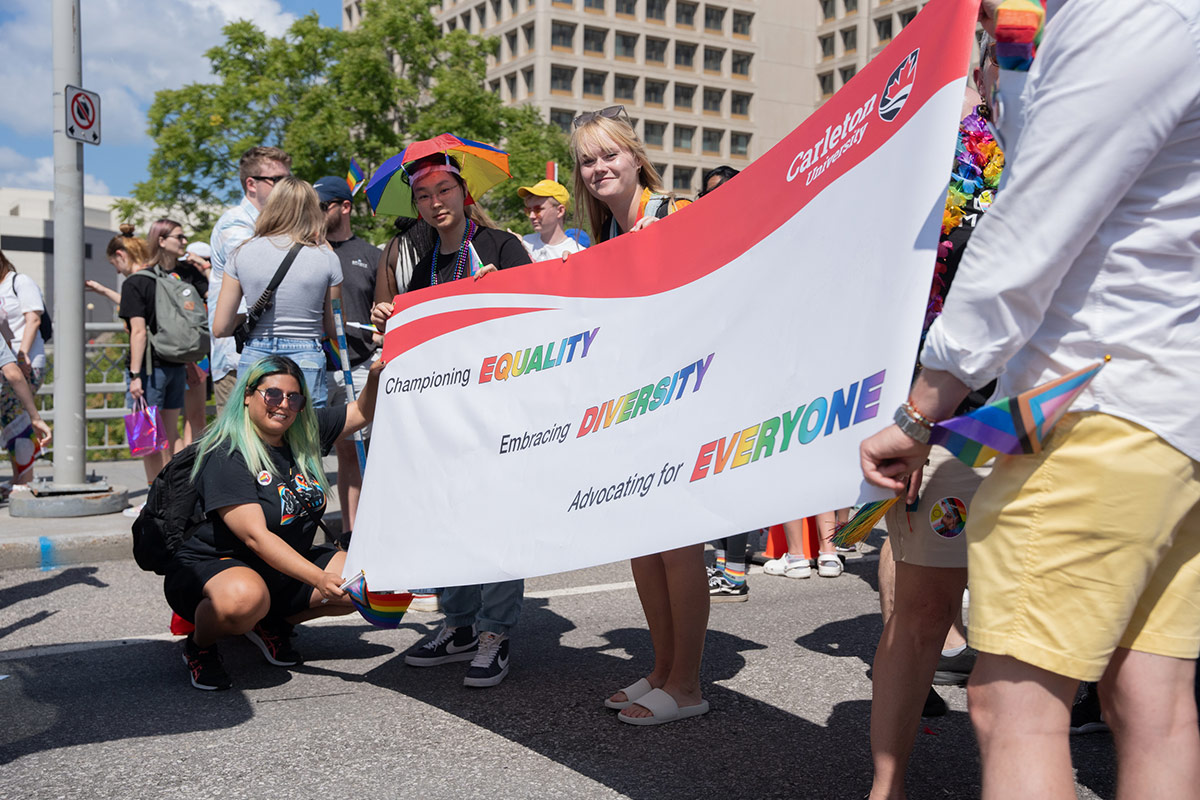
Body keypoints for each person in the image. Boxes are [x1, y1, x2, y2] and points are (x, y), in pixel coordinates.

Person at [861, 2, 1200, 798]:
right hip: (1169, 414)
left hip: (1090, 403)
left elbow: (1032, 221)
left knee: (1013, 703)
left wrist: (923, 405)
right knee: (1152, 703)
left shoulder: (1127, 13)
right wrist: (1014, 50)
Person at [866, 50, 1004, 799]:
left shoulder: (1076, 123)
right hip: (949, 415)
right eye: (993, 45)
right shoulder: (933, 150)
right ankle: (885, 788)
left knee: (1026, 636)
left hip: (1063, 416)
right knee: (920, 611)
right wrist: (913, 414)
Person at [571, 106, 708, 726]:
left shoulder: (675, 216)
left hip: (680, 400)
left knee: (678, 545)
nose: (599, 167)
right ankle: (660, 666)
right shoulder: (603, 239)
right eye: (587, 160)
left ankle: (687, 684)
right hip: (630, 408)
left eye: (608, 155)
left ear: (635, 157)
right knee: (644, 546)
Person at [386, 149, 531, 688]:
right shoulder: (423, 266)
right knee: (449, 516)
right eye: (423, 196)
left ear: (463, 191)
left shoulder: (502, 245)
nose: (434, 203)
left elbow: (540, 314)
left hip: (499, 406)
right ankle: (460, 623)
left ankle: (495, 631)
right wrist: (394, 315)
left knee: (496, 517)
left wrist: (505, 289)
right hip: (447, 413)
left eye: (443, 191)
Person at [166, 353, 383, 691]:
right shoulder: (226, 452)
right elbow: (256, 538)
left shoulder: (303, 431)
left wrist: (375, 375)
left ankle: (267, 622)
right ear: (249, 395)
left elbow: (361, 412)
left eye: (294, 397)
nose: (283, 404)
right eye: (273, 394)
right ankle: (200, 645)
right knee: (244, 599)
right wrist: (319, 578)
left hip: (278, 569)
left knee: (371, 581)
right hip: (217, 566)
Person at [212, 176, 342, 410]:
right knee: (306, 438)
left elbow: (220, 327)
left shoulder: (241, 254)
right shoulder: (327, 257)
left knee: (255, 439)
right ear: (312, 210)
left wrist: (252, 315)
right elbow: (334, 328)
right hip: (306, 355)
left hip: (256, 356)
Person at [313, 174, 382, 533]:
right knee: (332, 455)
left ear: (344, 207)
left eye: (323, 206)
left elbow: (385, 308)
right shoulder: (309, 253)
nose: (318, 212)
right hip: (318, 367)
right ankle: (344, 535)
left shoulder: (371, 255)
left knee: (362, 451)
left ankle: (366, 532)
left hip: (360, 363)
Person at [209, 146, 292, 415]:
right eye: (277, 180)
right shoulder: (234, 224)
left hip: (271, 356)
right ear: (251, 184)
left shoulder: (277, 226)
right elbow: (261, 270)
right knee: (239, 453)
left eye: (287, 180)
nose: (285, 187)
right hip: (239, 360)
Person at [114, 225, 187, 490]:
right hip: (176, 363)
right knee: (170, 433)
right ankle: (180, 491)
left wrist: (135, 376)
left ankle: (154, 496)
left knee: (148, 435)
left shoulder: (135, 283)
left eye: (115, 264)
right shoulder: (170, 278)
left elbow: (138, 332)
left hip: (148, 369)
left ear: (121, 255)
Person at [146, 218, 209, 448]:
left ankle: (194, 473)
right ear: (161, 240)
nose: (185, 241)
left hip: (196, 354)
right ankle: (171, 475)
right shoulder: (147, 274)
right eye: (179, 237)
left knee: (197, 415)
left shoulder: (189, 271)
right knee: (162, 423)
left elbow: (213, 296)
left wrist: (207, 268)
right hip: (162, 356)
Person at [0, 250, 47, 485]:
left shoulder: (20, 282)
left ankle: (25, 479)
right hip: (8, 361)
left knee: (18, 419)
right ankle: (20, 476)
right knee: (11, 420)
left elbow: (34, 319)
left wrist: (22, 354)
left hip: (26, 362)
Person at [516, 179, 587, 262]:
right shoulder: (525, 243)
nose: (531, 216)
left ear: (560, 211)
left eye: (537, 209)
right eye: (528, 210)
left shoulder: (577, 252)